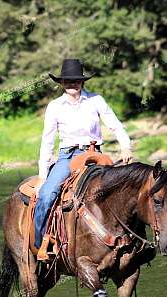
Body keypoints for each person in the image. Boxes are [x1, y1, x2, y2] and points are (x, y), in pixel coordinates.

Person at [33, 58, 133, 254]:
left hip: (95, 154)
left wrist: (126, 146)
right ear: (62, 83)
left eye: (76, 80)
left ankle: (130, 239)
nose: (72, 84)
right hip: (68, 157)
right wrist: (42, 176)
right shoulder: (55, 106)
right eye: (68, 80)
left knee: (125, 190)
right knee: (46, 194)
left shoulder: (96, 100)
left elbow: (114, 124)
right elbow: (47, 141)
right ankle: (40, 243)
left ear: (82, 81)